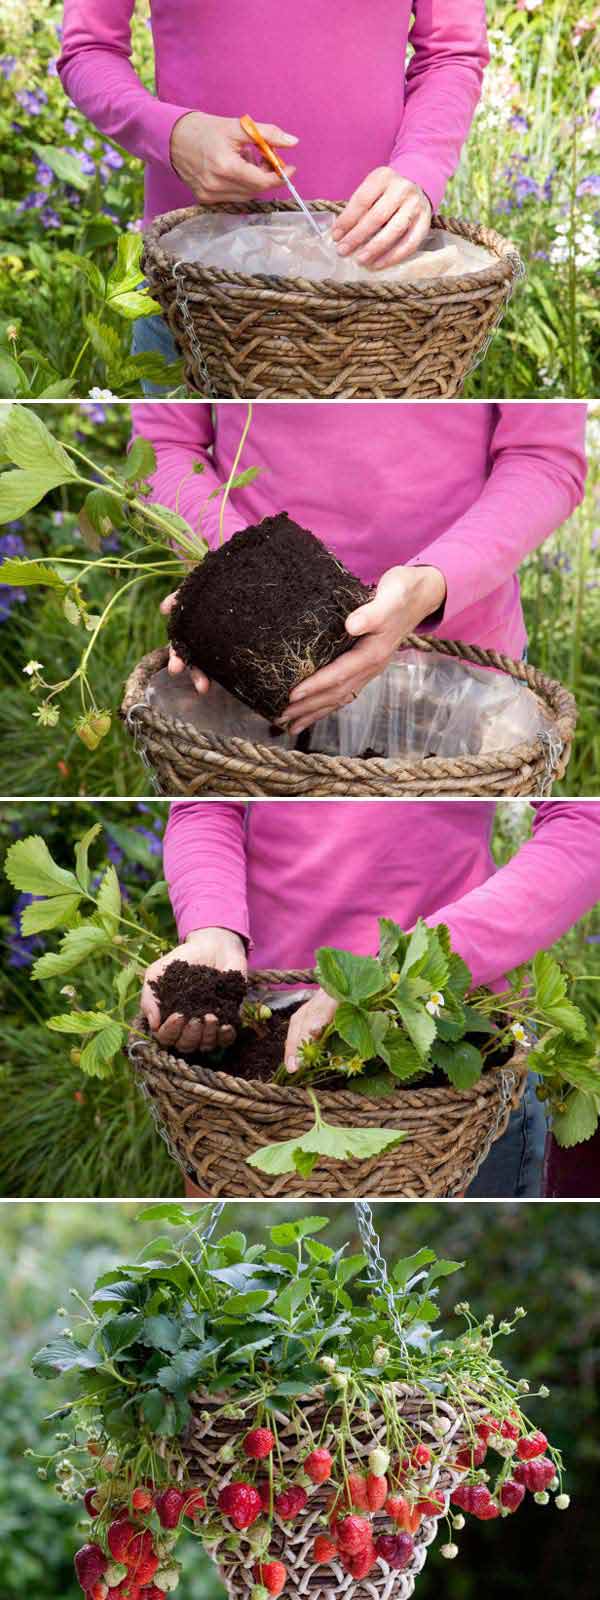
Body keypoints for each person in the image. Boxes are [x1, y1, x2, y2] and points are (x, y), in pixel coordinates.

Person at [140, 800, 600, 1199]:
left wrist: (398, 973)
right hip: (255, 1024)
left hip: (452, 1028)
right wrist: (213, 928)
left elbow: (585, 821)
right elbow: (208, 802)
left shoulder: (482, 710)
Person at [58, 2, 489, 377]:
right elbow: (89, 47)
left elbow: (450, 51)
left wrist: (421, 167)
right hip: (193, 289)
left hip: (377, 286)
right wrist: (170, 135)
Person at [129, 400, 587, 733]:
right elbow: (164, 446)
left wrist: (430, 585)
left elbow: (542, 456)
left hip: (457, 673)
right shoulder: (205, 284)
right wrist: (239, 578)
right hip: (262, 660)